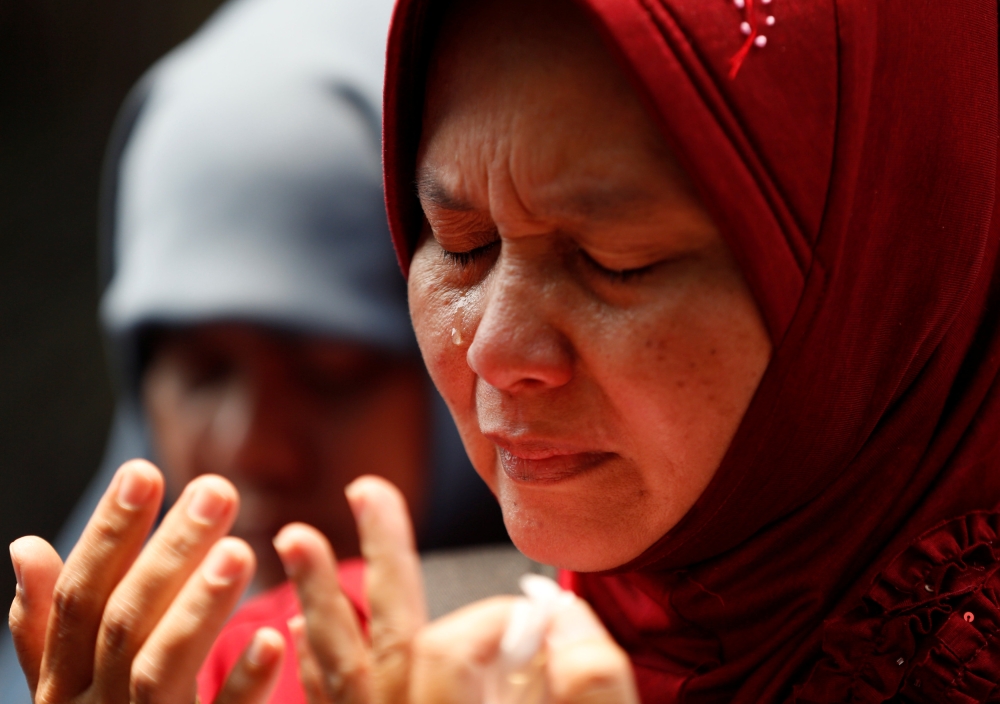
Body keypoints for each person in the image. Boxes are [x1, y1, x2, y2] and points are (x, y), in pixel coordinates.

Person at [11, 0, 1000, 701]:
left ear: (890, 259)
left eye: (617, 261)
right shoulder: (268, 671)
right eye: (460, 244)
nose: (494, 349)